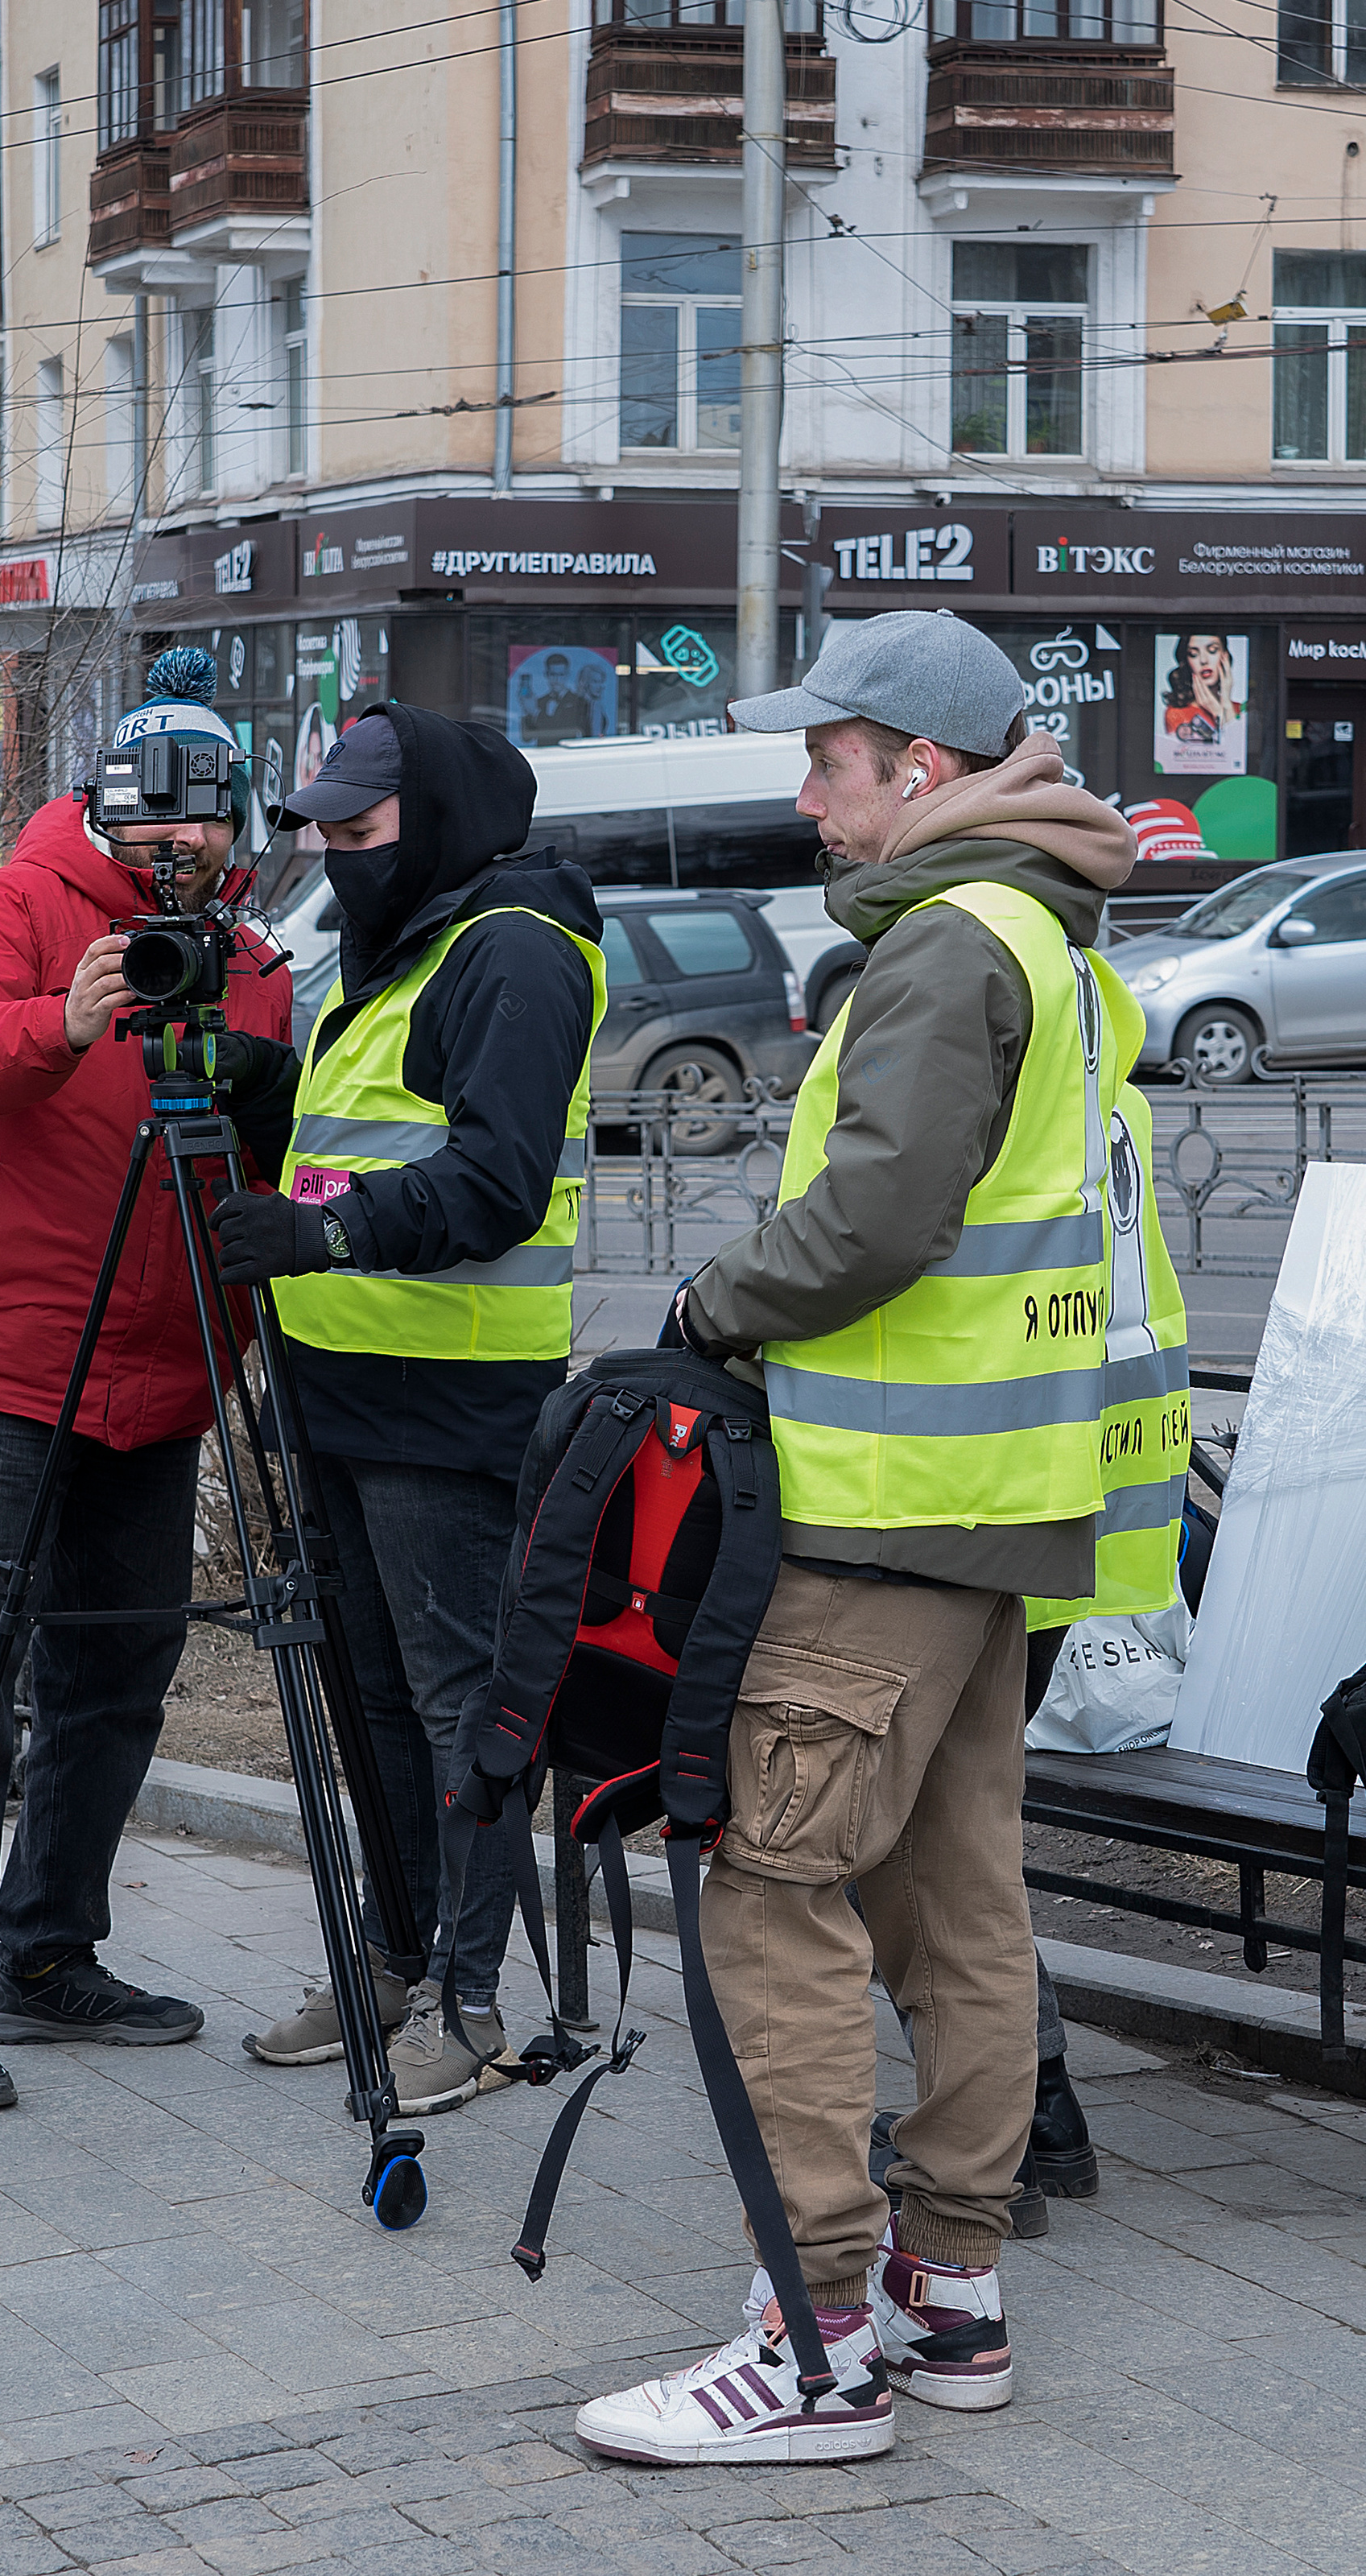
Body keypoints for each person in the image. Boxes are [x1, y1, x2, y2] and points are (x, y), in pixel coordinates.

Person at [576, 609, 1143, 2467]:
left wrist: (705, 1307)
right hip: (995, 1508)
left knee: (771, 1887)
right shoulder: (1039, 933)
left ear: (919, 765)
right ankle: (943, 2300)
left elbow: (877, 1217)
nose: (803, 793)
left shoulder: (940, 950)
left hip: (884, 1513)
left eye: (826, 759)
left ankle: (810, 2336)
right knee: (957, 1900)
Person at [0, 650, 294, 2112]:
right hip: (4, 1359)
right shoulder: (24, 902)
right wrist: (65, 1016)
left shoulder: (254, 959)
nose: (177, 850)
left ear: (240, 827)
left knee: (115, 1685)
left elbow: (263, 1168)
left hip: (164, 1373)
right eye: (151, 826)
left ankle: (48, 1955)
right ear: (104, 815)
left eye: (205, 826)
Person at [213, 705, 606, 2112]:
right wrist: (264, 1086)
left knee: (463, 1708)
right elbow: (356, 1143)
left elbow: (495, 1182)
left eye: (359, 833)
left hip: (447, 1402)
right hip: (337, 1388)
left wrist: (319, 1242)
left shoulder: (512, 949)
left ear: (430, 822)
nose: (334, 855)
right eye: (320, 831)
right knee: (368, 1694)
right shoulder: (406, 948)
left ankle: (478, 2002)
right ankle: (392, 1959)